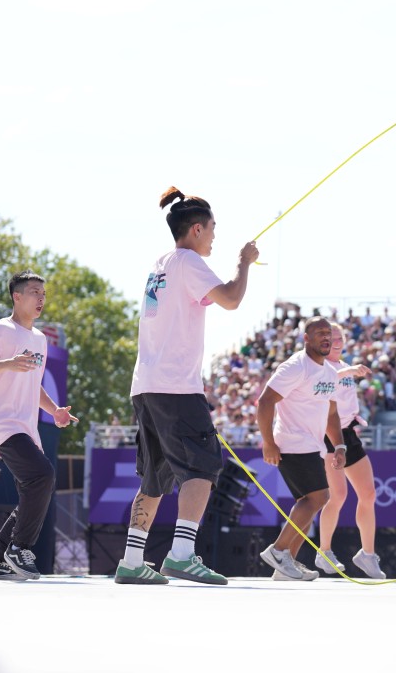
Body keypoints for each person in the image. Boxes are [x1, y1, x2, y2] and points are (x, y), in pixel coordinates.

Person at [115, 187, 259, 586]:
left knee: (154, 479)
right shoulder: (188, 262)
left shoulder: (161, 263)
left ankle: (131, 560)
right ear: (196, 229)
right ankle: (181, 554)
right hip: (176, 387)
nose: (214, 236)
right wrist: (244, 263)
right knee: (205, 465)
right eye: (212, 228)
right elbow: (231, 299)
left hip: (145, 385)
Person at [0, 270, 79, 580]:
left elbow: (34, 384)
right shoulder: (0, 331)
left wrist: (55, 410)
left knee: (34, 494)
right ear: (17, 297)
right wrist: (8, 363)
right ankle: (18, 548)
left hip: (27, 427)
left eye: (43, 292)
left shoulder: (40, 339)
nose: (41, 298)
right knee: (42, 477)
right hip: (4, 425)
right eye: (33, 292)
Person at [256, 317, 346, 581]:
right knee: (318, 498)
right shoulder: (296, 366)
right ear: (306, 338)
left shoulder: (330, 372)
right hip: (293, 442)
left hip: (314, 445)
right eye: (319, 333)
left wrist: (339, 444)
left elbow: (332, 414)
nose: (325, 337)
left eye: (328, 333)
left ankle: (286, 566)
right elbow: (265, 402)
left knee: (308, 502)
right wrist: (268, 442)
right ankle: (278, 550)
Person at [314, 322, 386, 579]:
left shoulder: (343, 365)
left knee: (368, 494)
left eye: (340, 337)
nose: (336, 340)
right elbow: (327, 379)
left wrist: (349, 370)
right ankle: (324, 552)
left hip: (348, 433)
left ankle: (367, 554)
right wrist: (350, 371)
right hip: (328, 433)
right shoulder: (320, 365)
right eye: (331, 337)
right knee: (338, 496)